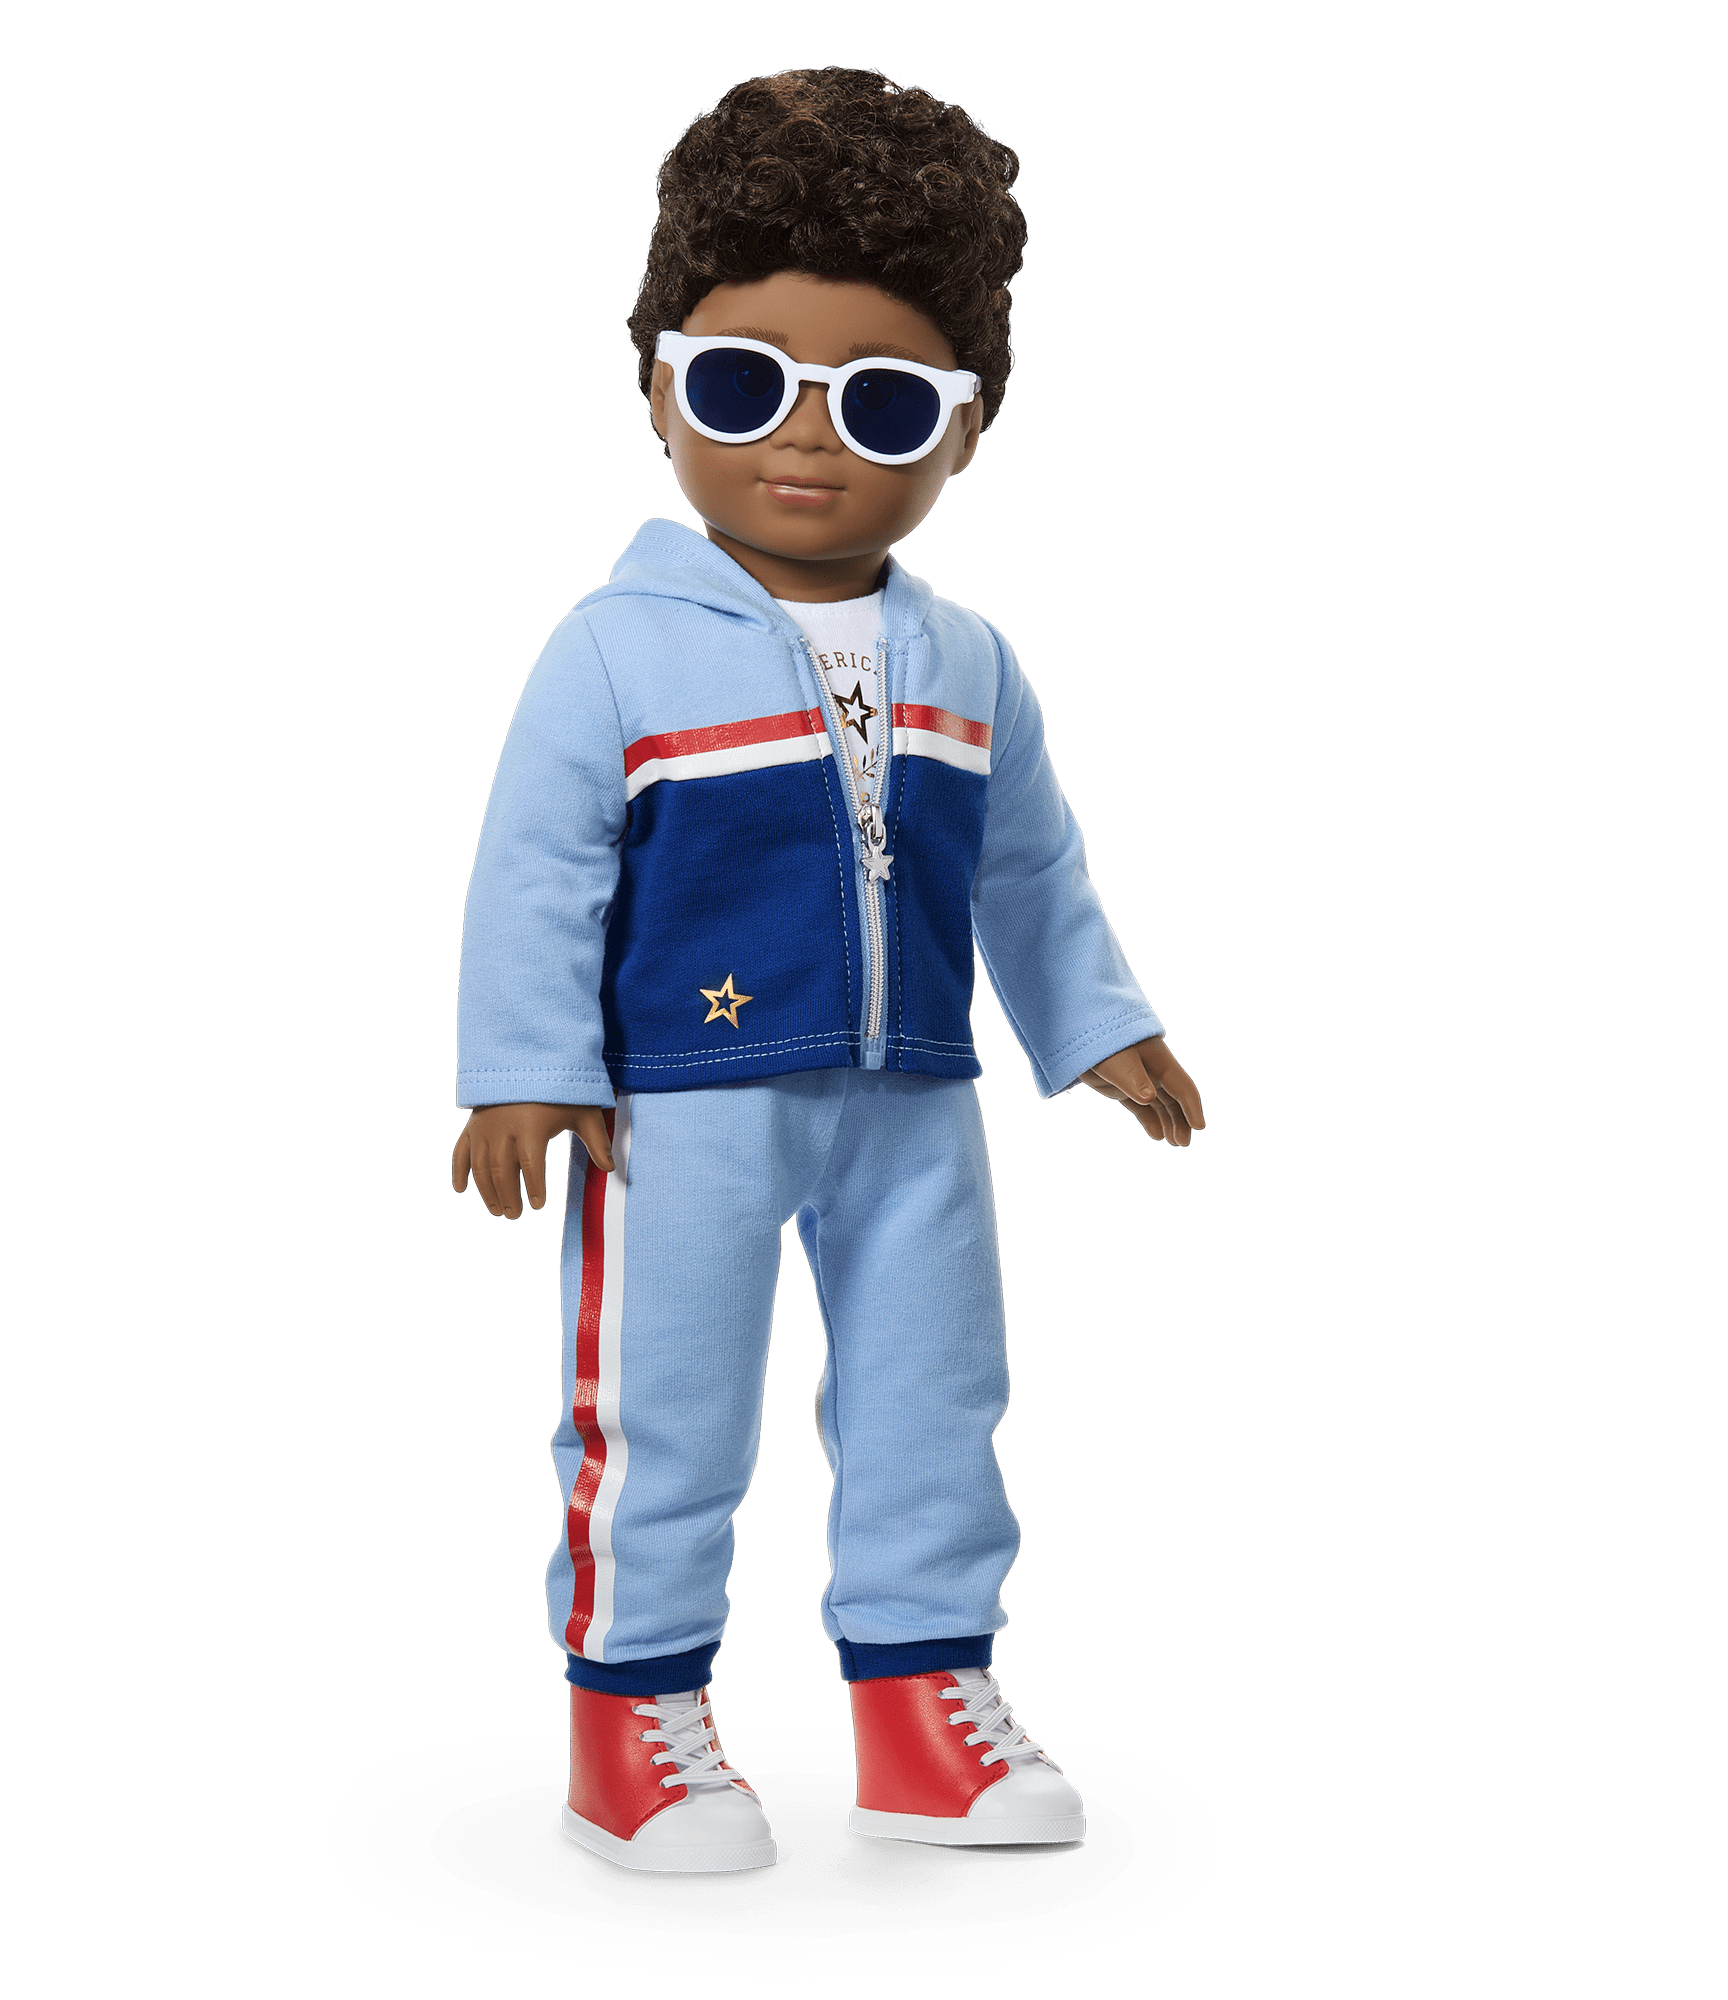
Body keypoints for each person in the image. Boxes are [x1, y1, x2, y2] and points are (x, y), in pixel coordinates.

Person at [451, 67, 1202, 1874]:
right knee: (661, 1409)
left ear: (965, 432)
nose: (806, 441)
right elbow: (537, 869)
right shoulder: (611, 650)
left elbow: (1028, 866)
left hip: (915, 1097)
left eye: (881, 401)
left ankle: (923, 1711)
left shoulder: (973, 660)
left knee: (938, 1399)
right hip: (678, 1106)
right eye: (741, 383)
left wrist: (1096, 1021)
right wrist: (525, 1065)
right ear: (660, 387)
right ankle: (631, 1723)